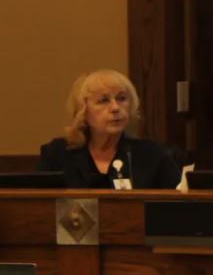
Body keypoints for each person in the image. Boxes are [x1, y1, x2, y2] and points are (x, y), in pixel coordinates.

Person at [39, 70, 181, 189]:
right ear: (83, 111)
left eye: (121, 98)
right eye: (103, 100)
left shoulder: (154, 156)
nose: (115, 108)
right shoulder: (58, 154)